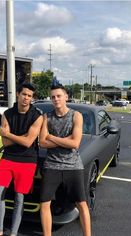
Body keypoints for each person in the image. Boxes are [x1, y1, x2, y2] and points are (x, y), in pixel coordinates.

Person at [39, 84, 91, 236]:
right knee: (44, 202)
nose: (55, 99)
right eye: (53, 97)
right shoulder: (46, 117)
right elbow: (42, 142)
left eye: (59, 96)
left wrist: (52, 137)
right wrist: (65, 140)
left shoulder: (76, 116)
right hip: (51, 165)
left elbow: (75, 143)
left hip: (73, 165)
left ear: (66, 97)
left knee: (81, 203)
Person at [0, 83, 43, 236]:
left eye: (30, 96)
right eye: (24, 94)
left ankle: (13, 233)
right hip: (8, 157)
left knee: (19, 197)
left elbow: (28, 143)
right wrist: (22, 137)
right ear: (18, 94)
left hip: (28, 160)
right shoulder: (7, 114)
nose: (26, 98)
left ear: (32, 98)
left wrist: (8, 134)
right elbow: (5, 143)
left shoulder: (37, 116)